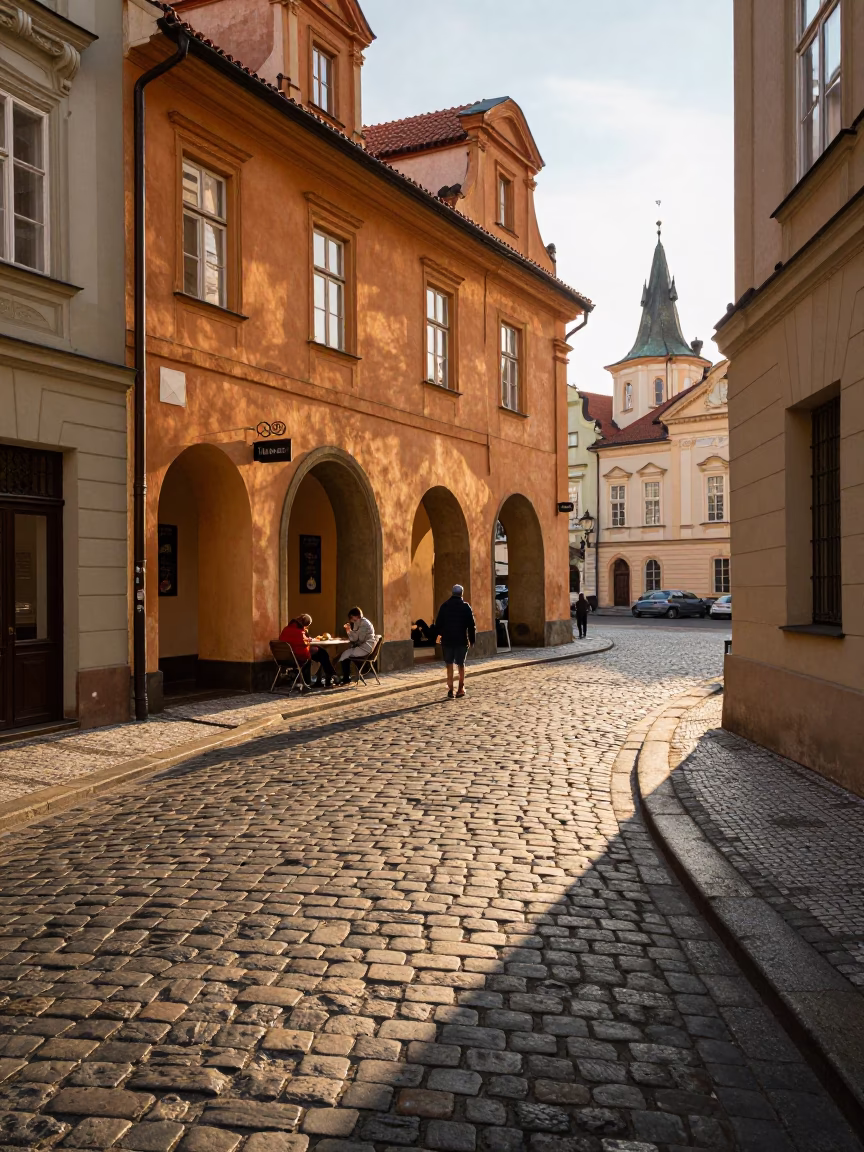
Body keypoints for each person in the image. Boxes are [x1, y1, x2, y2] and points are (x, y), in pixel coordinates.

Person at [434, 583, 476, 699]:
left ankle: (450, 689)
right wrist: (472, 639)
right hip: (461, 640)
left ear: (452, 593)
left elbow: (438, 624)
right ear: (461, 594)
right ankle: (461, 688)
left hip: (447, 640)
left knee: (449, 664)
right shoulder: (465, 607)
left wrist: (439, 634)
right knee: (461, 664)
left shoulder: (445, 606)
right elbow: (471, 625)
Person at [279, 614, 336, 688]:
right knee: (322, 653)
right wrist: (310, 642)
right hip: (298, 657)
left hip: (285, 658)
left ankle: (328, 676)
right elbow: (304, 643)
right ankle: (329, 677)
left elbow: (299, 642)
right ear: (304, 625)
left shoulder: (286, 629)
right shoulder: (300, 632)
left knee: (320, 652)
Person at [339, 607, 377, 684]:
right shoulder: (358, 622)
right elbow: (354, 637)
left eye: (352, 617)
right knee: (345, 653)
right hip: (363, 646)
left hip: (366, 647)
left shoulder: (364, 624)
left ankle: (346, 678)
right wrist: (349, 630)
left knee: (345, 654)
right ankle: (347, 677)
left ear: (356, 616)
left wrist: (349, 632)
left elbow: (359, 639)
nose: (351, 620)